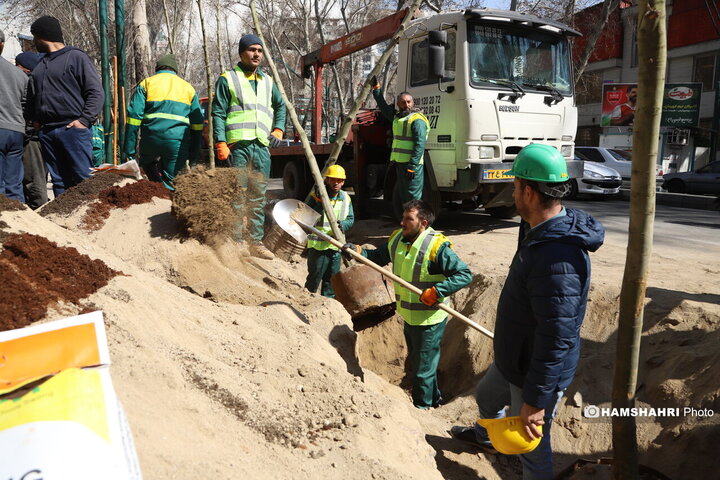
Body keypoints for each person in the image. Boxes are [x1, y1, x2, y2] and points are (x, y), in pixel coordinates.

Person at [450, 144, 605, 479]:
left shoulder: (557, 259)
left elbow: (555, 338)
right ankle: (486, 437)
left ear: (531, 193)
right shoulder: (538, 228)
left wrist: (535, 400)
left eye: (516, 186)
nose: (513, 191)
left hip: (535, 371)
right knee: (487, 397)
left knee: (533, 447)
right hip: (515, 357)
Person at [344, 199, 472, 409]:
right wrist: (358, 252)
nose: (402, 222)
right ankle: (434, 399)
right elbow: (378, 256)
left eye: (408, 219)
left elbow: (464, 274)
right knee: (421, 363)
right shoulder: (397, 239)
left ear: (422, 223)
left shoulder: (436, 247)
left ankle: (423, 407)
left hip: (429, 319)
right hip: (410, 316)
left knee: (423, 368)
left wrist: (437, 291)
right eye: (403, 217)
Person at [212, 34, 286, 260]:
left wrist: (278, 130)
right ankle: (236, 240)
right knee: (236, 194)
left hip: (261, 147)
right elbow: (218, 112)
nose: (256, 54)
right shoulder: (228, 79)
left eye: (260, 51)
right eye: (252, 50)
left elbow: (280, 107)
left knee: (257, 196)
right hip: (238, 146)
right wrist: (221, 142)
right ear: (241, 53)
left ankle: (255, 242)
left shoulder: (268, 82)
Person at [26, 16, 104, 197]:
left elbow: (96, 92)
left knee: (83, 179)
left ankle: (90, 221)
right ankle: (62, 223)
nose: (34, 42)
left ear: (42, 36)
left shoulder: (76, 57)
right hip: (48, 132)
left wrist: (83, 121)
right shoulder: (40, 65)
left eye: (35, 37)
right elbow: (34, 95)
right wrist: (36, 120)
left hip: (72, 130)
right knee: (59, 181)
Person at [124, 54, 203, 190]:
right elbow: (197, 124)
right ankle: (168, 197)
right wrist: (193, 154)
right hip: (176, 143)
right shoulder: (188, 88)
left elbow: (133, 118)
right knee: (173, 180)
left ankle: (157, 186)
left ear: (158, 68)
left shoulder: (147, 83)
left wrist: (129, 151)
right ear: (175, 70)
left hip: (151, 139)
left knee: (147, 164)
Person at [371, 76, 429, 206]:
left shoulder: (417, 120)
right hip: (400, 164)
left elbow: (420, 145)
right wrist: (376, 90)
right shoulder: (398, 118)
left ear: (413, 103)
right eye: (403, 102)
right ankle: (408, 223)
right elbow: (384, 108)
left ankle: (416, 224)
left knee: (413, 197)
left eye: (409, 102)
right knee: (404, 196)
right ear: (398, 104)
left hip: (411, 166)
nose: (407, 105)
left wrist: (412, 166)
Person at [304, 164, 354, 298]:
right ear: (327, 180)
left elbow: (350, 218)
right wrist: (319, 202)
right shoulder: (316, 196)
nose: (336, 183)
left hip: (335, 247)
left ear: (343, 182)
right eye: (333, 179)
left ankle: (328, 303)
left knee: (332, 280)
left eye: (339, 180)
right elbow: (306, 217)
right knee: (314, 277)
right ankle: (308, 299)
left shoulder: (346, 198)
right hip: (318, 247)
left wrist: (343, 225)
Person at [0, 30, 30, 202]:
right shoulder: (19, 74)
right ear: (2, 45)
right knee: (14, 186)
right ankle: (20, 223)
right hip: (16, 132)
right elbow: (27, 105)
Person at [15, 51, 47, 208]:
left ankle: (39, 216)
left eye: (18, 66)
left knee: (34, 182)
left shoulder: (29, 83)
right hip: (32, 137)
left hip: (31, 139)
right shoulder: (38, 81)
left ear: (25, 69)